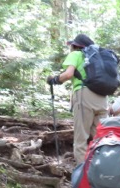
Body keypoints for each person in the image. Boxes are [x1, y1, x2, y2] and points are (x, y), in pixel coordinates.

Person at [46, 34, 108, 163]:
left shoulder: (76, 54)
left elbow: (68, 74)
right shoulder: (99, 57)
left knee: (81, 139)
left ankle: (83, 176)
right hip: (102, 97)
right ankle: (104, 170)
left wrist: (55, 80)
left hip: (84, 96)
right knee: (102, 137)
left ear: (75, 46)